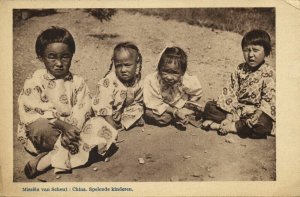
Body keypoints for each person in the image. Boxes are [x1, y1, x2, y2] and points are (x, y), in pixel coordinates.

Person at [17, 26, 117, 179]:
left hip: (73, 130)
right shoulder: (35, 79)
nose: (59, 63)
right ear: (41, 57)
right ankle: (75, 151)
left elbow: (83, 108)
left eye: (65, 57)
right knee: (40, 128)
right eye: (52, 57)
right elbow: (35, 109)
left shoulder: (78, 82)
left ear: (71, 56)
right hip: (52, 129)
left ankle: (48, 159)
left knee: (102, 126)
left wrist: (71, 130)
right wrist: (64, 127)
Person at [202, 29, 276, 139]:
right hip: (235, 109)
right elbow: (230, 92)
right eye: (246, 50)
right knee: (210, 107)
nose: (250, 54)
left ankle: (226, 127)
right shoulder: (240, 69)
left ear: (266, 52)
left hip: (255, 112)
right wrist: (228, 117)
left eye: (255, 50)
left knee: (263, 124)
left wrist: (257, 114)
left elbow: (268, 99)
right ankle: (236, 126)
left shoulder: (269, 73)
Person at [143, 46, 203, 130]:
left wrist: (186, 107)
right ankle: (175, 117)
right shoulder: (153, 80)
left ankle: (180, 117)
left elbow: (197, 92)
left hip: (179, 104)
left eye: (175, 73)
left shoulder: (186, 80)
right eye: (165, 71)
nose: (169, 77)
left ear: (182, 72)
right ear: (159, 69)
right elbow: (154, 101)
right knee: (162, 118)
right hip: (161, 106)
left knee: (200, 111)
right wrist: (174, 111)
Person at [92, 42, 144, 131]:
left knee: (138, 109)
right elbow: (103, 103)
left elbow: (136, 101)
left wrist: (121, 111)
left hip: (122, 110)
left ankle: (123, 122)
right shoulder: (109, 81)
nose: (123, 70)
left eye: (127, 65)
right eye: (118, 66)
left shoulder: (136, 80)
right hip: (106, 111)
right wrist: (110, 119)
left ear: (137, 64)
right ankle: (115, 124)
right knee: (100, 121)